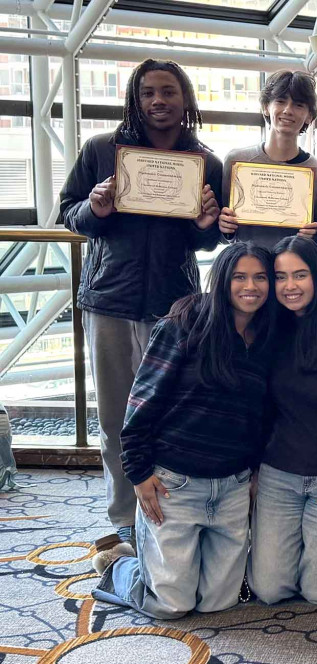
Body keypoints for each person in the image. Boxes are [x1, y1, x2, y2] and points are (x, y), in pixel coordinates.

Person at [59, 58, 223, 547]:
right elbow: (68, 212)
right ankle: (122, 518)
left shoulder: (205, 162)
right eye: (148, 92)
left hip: (174, 308)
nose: (158, 101)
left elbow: (207, 240)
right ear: (135, 98)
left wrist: (204, 226)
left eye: (168, 91)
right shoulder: (100, 150)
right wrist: (95, 208)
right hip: (109, 301)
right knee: (114, 418)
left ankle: (167, 512)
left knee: (169, 415)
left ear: (185, 97)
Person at [90, 243, 275, 620]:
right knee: (171, 605)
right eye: (239, 277)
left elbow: (261, 417)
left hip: (232, 487)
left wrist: (255, 472)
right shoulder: (182, 326)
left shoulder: (268, 338)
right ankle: (120, 566)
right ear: (221, 280)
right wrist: (139, 474)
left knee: (218, 601)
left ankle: (158, 560)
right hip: (174, 484)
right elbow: (140, 406)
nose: (250, 286)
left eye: (260, 277)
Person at [248, 236, 317, 605]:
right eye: (280, 277)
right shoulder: (268, 328)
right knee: (269, 589)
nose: (289, 286)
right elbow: (259, 410)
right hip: (279, 473)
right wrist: (254, 471)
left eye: (300, 275)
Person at [219, 70, 317, 246]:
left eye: (299, 105)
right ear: (266, 107)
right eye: (280, 101)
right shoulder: (237, 162)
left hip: (297, 263)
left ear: (309, 116)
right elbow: (222, 236)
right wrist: (224, 228)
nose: (288, 110)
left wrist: (316, 236)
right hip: (246, 262)